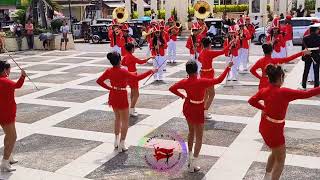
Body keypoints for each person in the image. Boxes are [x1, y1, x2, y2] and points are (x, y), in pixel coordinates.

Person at [248, 64, 320, 180]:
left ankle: (266, 176)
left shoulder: (264, 90)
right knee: (281, 158)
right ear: (280, 77)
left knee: (275, 151)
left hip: (265, 127)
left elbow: (251, 101)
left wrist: (263, 109)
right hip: (274, 130)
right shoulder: (284, 92)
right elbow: (307, 94)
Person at [169, 60, 233, 173]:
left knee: (191, 132)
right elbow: (219, 80)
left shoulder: (184, 81)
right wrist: (228, 67)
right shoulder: (202, 81)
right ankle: (193, 163)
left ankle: (189, 157)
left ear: (187, 71)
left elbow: (171, 88)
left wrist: (182, 96)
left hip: (188, 106)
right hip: (198, 109)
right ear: (197, 70)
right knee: (199, 137)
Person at [96, 52, 155, 152]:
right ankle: (122, 144)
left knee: (117, 119)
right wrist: (150, 71)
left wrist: (110, 88)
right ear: (119, 60)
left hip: (113, 94)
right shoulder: (123, 71)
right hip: (121, 95)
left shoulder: (109, 70)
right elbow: (136, 78)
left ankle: (116, 141)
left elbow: (99, 81)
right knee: (125, 121)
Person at [0, 60, 26, 172]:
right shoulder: (5, 82)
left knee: (8, 135)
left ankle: (9, 156)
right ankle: (5, 162)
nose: (10, 71)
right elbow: (17, 85)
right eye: (9, 69)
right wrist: (23, 76)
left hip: (3, 113)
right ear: (5, 70)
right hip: (7, 114)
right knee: (13, 137)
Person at [198, 37, 230, 119]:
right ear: (209, 44)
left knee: (206, 94)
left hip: (203, 73)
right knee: (212, 94)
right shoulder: (209, 52)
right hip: (208, 75)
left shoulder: (201, 52)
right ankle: (205, 111)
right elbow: (223, 51)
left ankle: (201, 110)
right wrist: (231, 43)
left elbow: (199, 59)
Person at [121, 43, 154, 117]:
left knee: (133, 93)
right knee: (136, 94)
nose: (134, 49)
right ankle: (132, 109)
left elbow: (122, 63)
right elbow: (141, 62)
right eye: (134, 48)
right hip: (133, 76)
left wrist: (129, 66)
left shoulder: (126, 56)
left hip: (128, 75)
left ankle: (132, 108)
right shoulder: (131, 57)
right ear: (131, 49)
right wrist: (149, 58)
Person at [301, 24, 320, 90]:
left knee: (306, 71)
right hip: (316, 55)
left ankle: (303, 85)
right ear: (315, 30)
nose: (318, 30)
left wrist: (303, 56)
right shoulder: (319, 37)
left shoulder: (305, 38)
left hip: (307, 55)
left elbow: (303, 48)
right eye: (318, 29)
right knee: (316, 71)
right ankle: (316, 86)